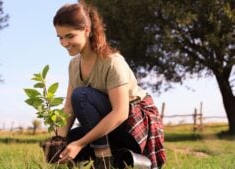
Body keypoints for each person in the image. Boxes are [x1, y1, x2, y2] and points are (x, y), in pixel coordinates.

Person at [53, 2, 166, 168]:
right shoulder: (74, 64)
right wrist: (59, 141)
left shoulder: (112, 61)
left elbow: (120, 113)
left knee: (82, 96)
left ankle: (104, 159)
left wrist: (80, 144)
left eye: (70, 36)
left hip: (132, 125)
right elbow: (69, 107)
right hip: (107, 127)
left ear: (86, 30)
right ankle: (115, 158)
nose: (64, 43)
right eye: (60, 37)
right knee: (67, 143)